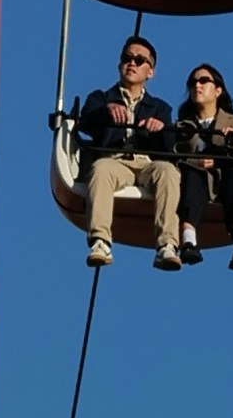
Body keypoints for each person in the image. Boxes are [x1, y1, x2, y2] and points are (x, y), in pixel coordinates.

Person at [72, 28, 189, 271]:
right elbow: (85, 123)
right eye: (127, 58)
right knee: (102, 169)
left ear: (151, 71)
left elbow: (169, 148)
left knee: (168, 172)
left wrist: (159, 129)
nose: (131, 64)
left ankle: (167, 244)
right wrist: (106, 112)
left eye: (139, 60)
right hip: (115, 160)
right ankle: (100, 241)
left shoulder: (159, 107)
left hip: (146, 162)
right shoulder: (101, 98)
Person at [171, 53, 233, 272]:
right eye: (193, 82)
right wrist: (194, 160)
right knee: (191, 179)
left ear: (218, 90)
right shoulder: (183, 125)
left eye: (204, 80)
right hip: (198, 172)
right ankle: (189, 241)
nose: (197, 85)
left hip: (229, 172)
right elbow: (174, 153)